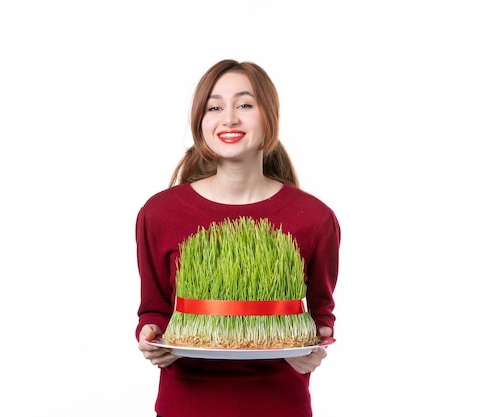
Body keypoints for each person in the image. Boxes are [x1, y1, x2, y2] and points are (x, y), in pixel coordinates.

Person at [135, 59, 341, 417]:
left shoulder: (314, 218)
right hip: (186, 404)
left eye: (245, 104)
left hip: (279, 405)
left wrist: (314, 349)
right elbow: (154, 310)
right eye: (214, 107)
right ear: (201, 122)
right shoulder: (160, 213)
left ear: (270, 117)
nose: (229, 118)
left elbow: (321, 313)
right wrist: (151, 336)